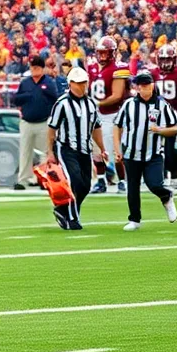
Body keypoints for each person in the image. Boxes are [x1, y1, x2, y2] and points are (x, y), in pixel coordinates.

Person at [113, 72, 177, 230]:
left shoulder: (161, 105)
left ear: (152, 85)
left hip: (153, 153)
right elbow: (117, 125)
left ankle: (166, 196)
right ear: (137, 88)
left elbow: (174, 127)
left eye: (147, 86)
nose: (144, 89)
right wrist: (117, 149)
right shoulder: (129, 104)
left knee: (154, 184)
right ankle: (134, 219)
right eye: (141, 86)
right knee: (133, 187)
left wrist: (160, 130)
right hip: (130, 152)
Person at [46, 66, 106, 230]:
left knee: (85, 185)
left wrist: (102, 148)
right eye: (78, 83)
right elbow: (52, 128)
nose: (81, 86)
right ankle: (72, 218)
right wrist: (50, 151)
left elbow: (96, 127)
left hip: (85, 149)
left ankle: (63, 210)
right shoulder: (62, 103)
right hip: (67, 149)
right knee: (74, 181)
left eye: (84, 83)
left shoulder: (91, 103)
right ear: (70, 83)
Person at [88, 35, 130, 193]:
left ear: (112, 53)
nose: (102, 56)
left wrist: (97, 104)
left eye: (106, 53)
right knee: (96, 151)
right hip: (97, 116)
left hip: (113, 116)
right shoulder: (92, 68)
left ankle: (122, 181)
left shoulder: (119, 68)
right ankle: (101, 181)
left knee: (114, 151)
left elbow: (117, 95)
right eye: (100, 52)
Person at [13, 55, 59, 190]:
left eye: (37, 68)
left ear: (42, 68)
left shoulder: (49, 82)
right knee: (25, 151)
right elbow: (16, 99)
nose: (35, 70)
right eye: (32, 68)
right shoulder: (25, 83)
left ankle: (44, 179)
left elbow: (54, 99)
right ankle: (23, 179)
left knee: (45, 151)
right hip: (27, 121)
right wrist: (27, 96)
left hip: (44, 122)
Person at [152, 43, 177, 191]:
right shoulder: (152, 73)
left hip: (176, 117)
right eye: (162, 59)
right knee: (156, 149)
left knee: (172, 150)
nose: (164, 62)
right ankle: (160, 177)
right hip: (158, 118)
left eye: (168, 59)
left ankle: (174, 178)